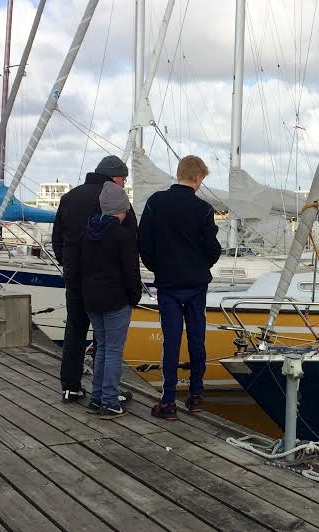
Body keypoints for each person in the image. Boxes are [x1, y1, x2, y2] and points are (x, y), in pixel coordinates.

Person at [138, 155, 222, 420]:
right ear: (197, 177)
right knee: (197, 338)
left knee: (171, 341)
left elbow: (144, 242)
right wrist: (201, 264)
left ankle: (169, 400)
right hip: (196, 283)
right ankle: (196, 396)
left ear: (180, 173)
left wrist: (157, 267)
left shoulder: (155, 203)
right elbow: (213, 249)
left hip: (169, 283)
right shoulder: (204, 210)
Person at [52, 155, 137, 403]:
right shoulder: (114, 198)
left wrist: (67, 264)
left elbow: (57, 238)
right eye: (123, 178)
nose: (123, 184)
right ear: (115, 177)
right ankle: (106, 392)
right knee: (107, 341)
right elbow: (130, 238)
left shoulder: (69, 198)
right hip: (109, 283)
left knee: (75, 331)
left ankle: (71, 386)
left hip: (76, 278)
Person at [81, 182, 142, 418]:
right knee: (114, 350)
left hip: (91, 297)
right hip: (115, 298)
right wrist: (134, 296)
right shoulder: (123, 236)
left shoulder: (88, 232)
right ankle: (108, 400)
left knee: (103, 348)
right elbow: (130, 271)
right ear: (122, 209)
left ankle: (97, 397)